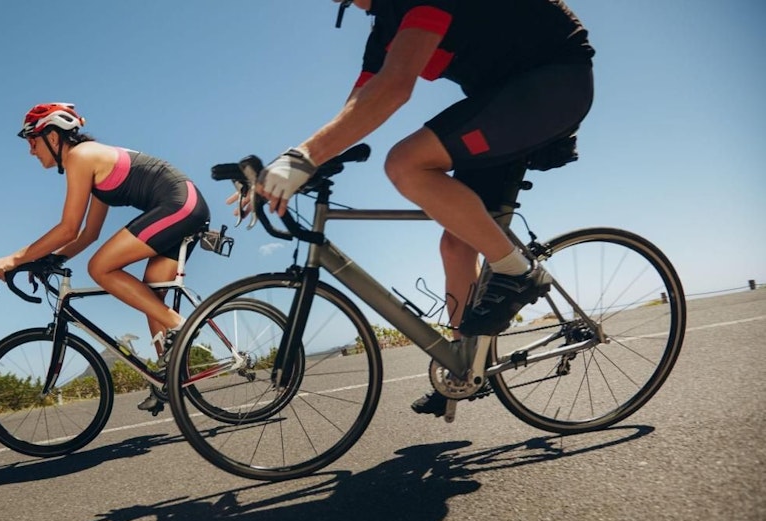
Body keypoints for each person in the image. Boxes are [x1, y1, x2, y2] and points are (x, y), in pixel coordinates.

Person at [252, 0, 594, 415]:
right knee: (456, 244)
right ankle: (463, 366)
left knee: (405, 163)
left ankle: (520, 273)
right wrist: (291, 167)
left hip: (553, 81)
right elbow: (359, 103)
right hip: (505, 96)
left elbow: (395, 87)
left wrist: (302, 158)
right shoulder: (384, 29)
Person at [0, 103, 211, 413]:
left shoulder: (81, 156)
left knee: (100, 267)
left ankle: (181, 326)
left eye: (32, 141)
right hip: (183, 205)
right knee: (151, 294)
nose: (30, 151)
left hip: (179, 204)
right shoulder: (91, 162)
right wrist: (47, 261)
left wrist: (13, 259)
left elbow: (68, 228)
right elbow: (88, 233)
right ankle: (168, 380)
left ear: (53, 137)